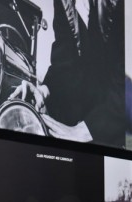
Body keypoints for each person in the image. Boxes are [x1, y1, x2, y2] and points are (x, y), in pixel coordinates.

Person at [8, 0, 125, 146]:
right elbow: (64, 65)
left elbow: (129, 84)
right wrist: (44, 91)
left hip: (116, 129)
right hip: (82, 121)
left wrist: (88, 130)